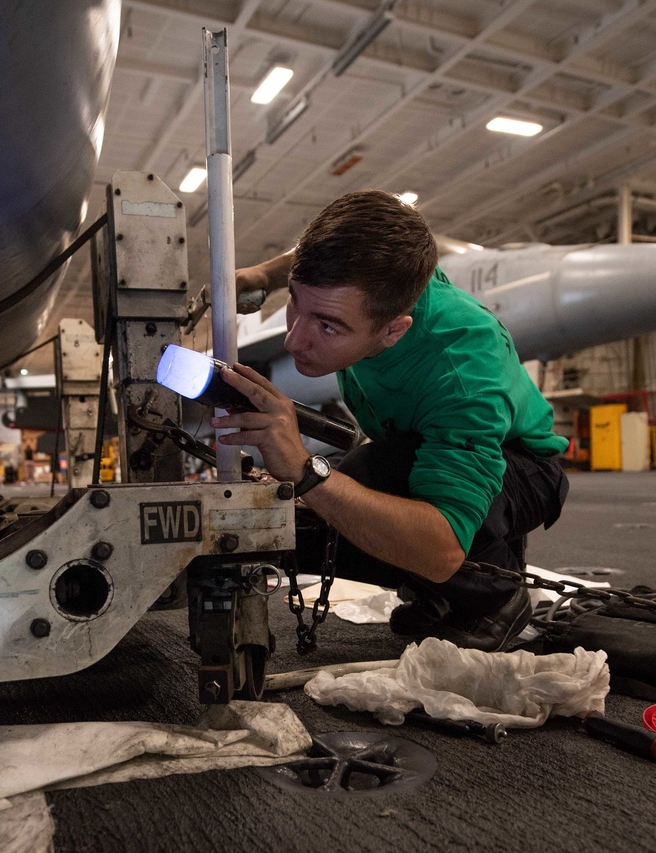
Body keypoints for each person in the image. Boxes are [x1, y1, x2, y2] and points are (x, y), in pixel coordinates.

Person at [210, 189, 568, 652]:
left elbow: (440, 549)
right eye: (296, 303)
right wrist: (268, 274)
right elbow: (335, 248)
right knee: (349, 487)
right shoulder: (389, 275)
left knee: (347, 495)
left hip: (522, 467)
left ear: (394, 329)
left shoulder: (462, 368)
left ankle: (493, 598)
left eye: (328, 325)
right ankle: (438, 594)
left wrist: (304, 471)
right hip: (413, 444)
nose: (295, 340)